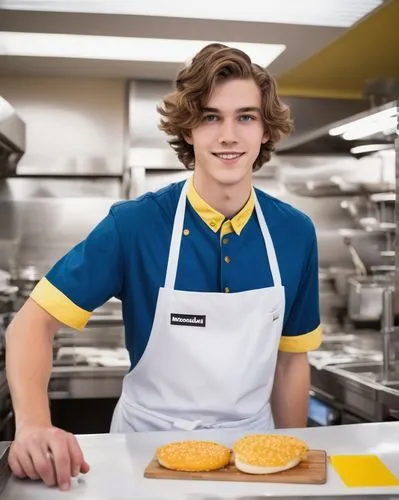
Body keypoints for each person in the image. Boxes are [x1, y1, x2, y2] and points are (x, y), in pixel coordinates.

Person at [5, 43, 322, 490]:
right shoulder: (135, 224)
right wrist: (35, 426)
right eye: (211, 117)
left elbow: (292, 361)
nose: (228, 135)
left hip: (253, 458)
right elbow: (29, 325)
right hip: (143, 457)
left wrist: (291, 460)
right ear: (188, 129)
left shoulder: (295, 233)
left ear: (266, 131)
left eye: (245, 117)